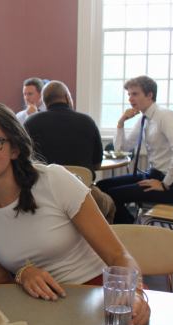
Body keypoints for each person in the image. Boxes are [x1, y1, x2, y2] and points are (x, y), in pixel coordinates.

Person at [0, 102, 150, 325]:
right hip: (38, 303)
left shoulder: (54, 181)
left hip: (98, 295)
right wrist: (22, 273)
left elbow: (118, 256)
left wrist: (136, 293)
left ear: (14, 149)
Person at [97, 76, 173, 224]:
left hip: (168, 184)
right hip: (151, 176)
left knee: (112, 196)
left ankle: (128, 232)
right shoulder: (144, 118)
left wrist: (166, 183)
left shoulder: (164, 116)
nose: (130, 99)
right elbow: (122, 148)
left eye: (135, 94)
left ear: (149, 95)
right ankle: (130, 224)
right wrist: (120, 123)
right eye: (129, 94)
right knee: (100, 188)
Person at [24, 81, 115, 224]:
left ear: (45, 102)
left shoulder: (31, 122)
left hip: (43, 197)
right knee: (110, 206)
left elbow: (24, 161)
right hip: (85, 194)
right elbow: (97, 165)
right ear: (67, 98)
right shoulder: (87, 121)